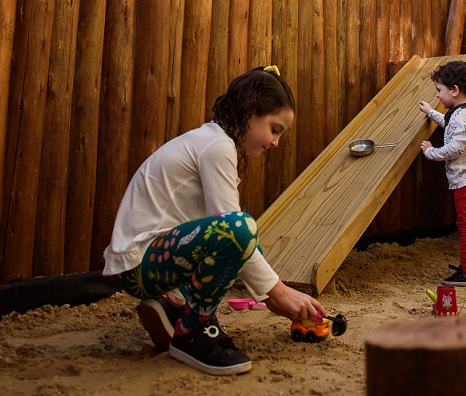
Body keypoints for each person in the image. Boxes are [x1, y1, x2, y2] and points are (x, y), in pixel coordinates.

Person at [103, 66, 326, 376]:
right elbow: (235, 233)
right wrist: (277, 292)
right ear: (250, 112)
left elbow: (233, 239)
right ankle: (192, 333)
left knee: (237, 231)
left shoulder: (213, 142)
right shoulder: (217, 146)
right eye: (274, 129)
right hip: (141, 263)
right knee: (239, 228)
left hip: (149, 258)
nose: (275, 142)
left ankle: (174, 309)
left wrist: (273, 289)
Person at [416, 60, 466, 286]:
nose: (438, 96)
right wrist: (431, 113)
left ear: (454, 90)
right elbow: (450, 125)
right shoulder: (465, 111)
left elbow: (454, 148)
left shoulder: (462, 117)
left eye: (439, 91)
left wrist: (431, 152)